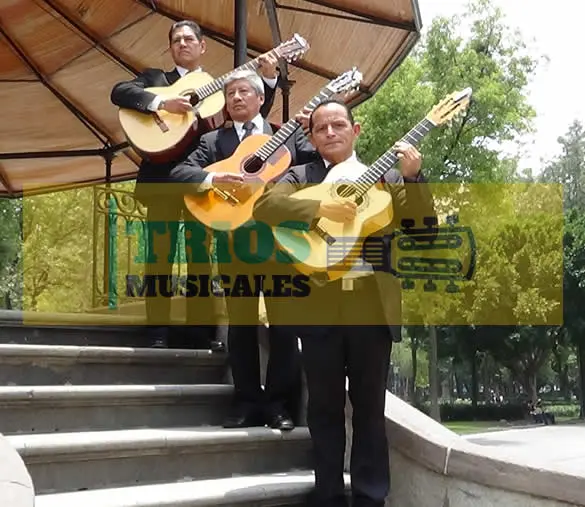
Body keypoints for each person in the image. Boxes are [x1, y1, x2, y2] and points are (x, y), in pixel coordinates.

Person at [253, 99, 436, 507]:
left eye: (339, 125)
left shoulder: (389, 176)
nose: (331, 132)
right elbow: (265, 205)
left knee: (370, 408)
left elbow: (423, 233)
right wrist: (320, 205)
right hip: (317, 305)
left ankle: (371, 498)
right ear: (312, 137)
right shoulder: (301, 175)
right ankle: (329, 496)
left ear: (356, 131)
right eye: (321, 128)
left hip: (371, 305)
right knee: (324, 408)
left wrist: (415, 178)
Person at [110, 20, 280, 349]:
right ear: (170, 48)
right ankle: (156, 331)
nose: (182, 44)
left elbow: (252, 119)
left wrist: (269, 79)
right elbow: (119, 92)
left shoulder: (220, 89)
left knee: (200, 256)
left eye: (189, 39)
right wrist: (162, 104)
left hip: (204, 181)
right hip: (161, 178)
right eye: (176, 40)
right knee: (158, 256)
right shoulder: (155, 79)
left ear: (203, 47)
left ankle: (200, 333)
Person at [172, 69, 317, 430]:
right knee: (241, 325)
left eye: (242, 92)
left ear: (259, 98)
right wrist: (213, 178)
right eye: (230, 93)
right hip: (234, 242)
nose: (235, 98)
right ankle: (246, 400)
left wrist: (313, 128)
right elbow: (178, 173)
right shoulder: (211, 141)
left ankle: (280, 405)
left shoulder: (287, 134)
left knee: (285, 326)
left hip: (282, 241)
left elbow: (317, 168)